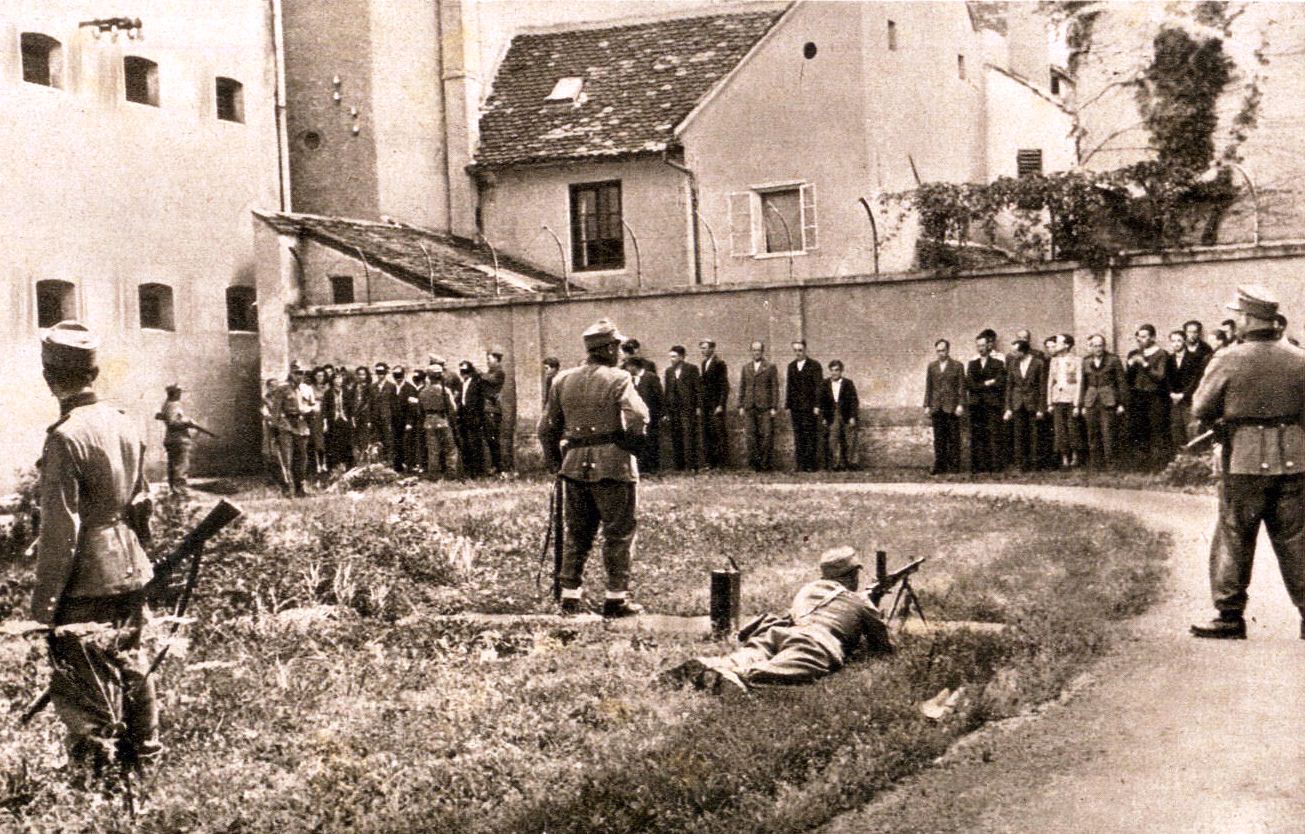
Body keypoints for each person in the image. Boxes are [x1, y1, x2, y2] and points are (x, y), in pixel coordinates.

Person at [31, 321, 160, 775]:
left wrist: (45, 606)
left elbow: (60, 533)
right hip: (130, 565)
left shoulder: (65, 437)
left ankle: (97, 776)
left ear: (50, 377)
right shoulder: (124, 423)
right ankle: (144, 759)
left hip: (88, 578)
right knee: (131, 662)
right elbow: (143, 503)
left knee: (84, 681)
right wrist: (145, 561)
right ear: (95, 371)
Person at [1190, 286, 1305, 641]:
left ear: (1248, 319)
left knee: (1234, 535)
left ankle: (1228, 616)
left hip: (1243, 460)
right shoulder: (1300, 358)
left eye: (1239, 316)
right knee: (1298, 538)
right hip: (1296, 458)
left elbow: (1200, 408)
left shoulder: (1227, 358)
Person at [659, 546, 891, 695]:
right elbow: (882, 647)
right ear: (853, 575)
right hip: (816, 640)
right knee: (785, 668)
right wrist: (870, 609)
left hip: (780, 631)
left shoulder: (809, 588)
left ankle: (717, 664)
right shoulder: (858, 602)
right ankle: (737, 677)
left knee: (752, 651)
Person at [538, 319, 650, 618]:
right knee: (619, 533)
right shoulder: (619, 378)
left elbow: (546, 428)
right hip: (614, 464)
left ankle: (569, 597)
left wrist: (555, 463)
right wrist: (630, 446)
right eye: (618, 347)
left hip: (573, 466)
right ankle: (616, 599)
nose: (621, 354)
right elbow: (639, 417)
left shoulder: (562, 379)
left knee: (577, 533)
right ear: (611, 348)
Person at [1125, 324, 1172, 470]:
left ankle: (1157, 465)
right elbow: (1128, 378)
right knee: (1139, 429)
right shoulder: (1134, 353)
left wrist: (1145, 364)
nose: (1141, 339)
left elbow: (1160, 377)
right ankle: (1141, 465)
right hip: (1138, 396)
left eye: (1144, 336)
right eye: (1139, 336)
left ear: (1153, 337)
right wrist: (1131, 365)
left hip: (1155, 397)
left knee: (1156, 430)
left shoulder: (1161, 354)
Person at [1077, 334, 1127, 470]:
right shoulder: (1086, 361)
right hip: (1091, 401)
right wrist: (1081, 404)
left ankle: (1111, 465)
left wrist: (1122, 403)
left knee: (1108, 433)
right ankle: (1096, 465)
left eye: (1100, 345)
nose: (1098, 348)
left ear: (1104, 346)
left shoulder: (1113, 360)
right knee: (1092, 434)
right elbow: (1083, 384)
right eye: (1095, 345)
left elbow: (1121, 383)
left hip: (1108, 401)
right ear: (1091, 347)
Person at [966, 329, 1006, 473]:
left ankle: (995, 466)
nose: (981, 349)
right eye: (978, 346)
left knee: (994, 434)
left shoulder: (997, 363)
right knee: (978, 434)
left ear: (988, 346)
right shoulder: (972, 364)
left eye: (983, 346)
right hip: (976, 404)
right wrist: (987, 384)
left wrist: (983, 385)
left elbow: (1000, 383)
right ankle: (978, 466)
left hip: (992, 404)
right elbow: (969, 384)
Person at [1003, 339, 1046, 472]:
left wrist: (1041, 408)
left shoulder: (1038, 363)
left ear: (1023, 351)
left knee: (1034, 435)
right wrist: (1008, 407)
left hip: (1032, 403)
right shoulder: (1013, 364)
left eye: (1015, 351)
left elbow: (1042, 387)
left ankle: (1034, 464)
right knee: (1019, 435)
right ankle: (1020, 464)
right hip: (1017, 403)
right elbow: (1009, 387)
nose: (1012, 353)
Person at [924, 339, 965, 474]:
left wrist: (960, 404)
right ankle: (940, 464)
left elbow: (961, 387)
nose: (941, 353)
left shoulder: (957, 366)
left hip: (952, 406)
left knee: (953, 437)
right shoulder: (932, 366)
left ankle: (955, 466)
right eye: (938, 351)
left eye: (943, 350)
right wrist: (927, 405)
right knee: (939, 438)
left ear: (948, 350)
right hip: (937, 406)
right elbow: (929, 387)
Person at [273, 362, 313, 496]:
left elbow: (312, 405)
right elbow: (276, 410)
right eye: (297, 373)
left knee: (302, 458)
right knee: (287, 458)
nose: (299, 376)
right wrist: (275, 428)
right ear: (291, 373)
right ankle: (288, 489)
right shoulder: (282, 389)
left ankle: (300, 488)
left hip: (302, 425)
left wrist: (309, 411)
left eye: (301, 373)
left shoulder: (306, 389)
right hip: (287, 426)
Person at [738, 340, 779, 471]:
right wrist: (740, 405)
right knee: (751, 436)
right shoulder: (746, 367)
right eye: (754, 350)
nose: (756, 353)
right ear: (751, 352)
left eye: (759, 350)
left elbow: (774, 387)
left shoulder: (770, 367)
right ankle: (754, 465)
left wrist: (774, 407)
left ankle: (765, 465)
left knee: (767, 436)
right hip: (750, 406)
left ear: (762, 351)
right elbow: (742, 387)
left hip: (765, 407)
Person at [1046, 334, 1084, 468]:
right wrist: (1049, 402)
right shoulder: (1054, 360)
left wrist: (1076, 403)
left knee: (1072, 427)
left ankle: (1075, 456)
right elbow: (1050, 381)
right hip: (1058, 398)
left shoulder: (1077, 360)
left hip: (1071, 398)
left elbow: (1079, 381)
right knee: (1059, 429)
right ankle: (1064, 457)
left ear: (1067, 345)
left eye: (1058, 343)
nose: (1056, 345)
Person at [786, 340, 824, 472]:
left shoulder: (814, 365)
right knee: (798, 435)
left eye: (800, 350)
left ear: (805, 350)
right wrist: (789, 405)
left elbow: (819, 387)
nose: (798, 353)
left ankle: (811, 465)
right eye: (795, 350)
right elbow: (790, 387)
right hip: (796, 407)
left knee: (810, 435)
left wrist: (817, 405)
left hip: (810, 407)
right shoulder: (791, 366)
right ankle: (800, 464)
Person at [663, 345, 702, 471]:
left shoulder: (692, 369)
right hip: (673, 409)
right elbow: (667, 391)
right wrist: (667, 410)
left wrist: (698, 406)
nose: (672, 359)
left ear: (682, 357)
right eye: (670, 357)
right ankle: (678, 466)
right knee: (676, 436)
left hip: (687, 408)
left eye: (674, 357)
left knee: (689, 436)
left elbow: (698, 389)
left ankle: (691, 465)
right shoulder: (669, 371)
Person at [419, 360, 458, 478]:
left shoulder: (423, 392)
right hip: (442, 421)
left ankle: (434, 475)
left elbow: (420, 410)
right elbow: (453, 408)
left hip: (428, 422)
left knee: (433, 450)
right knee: (450, 449)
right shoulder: (445, 390)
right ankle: (451, 474)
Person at [1167, 329, 1206, 451]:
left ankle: (1193, 462)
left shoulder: (1194, 358)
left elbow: (1196, 380)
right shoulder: (1169, 359)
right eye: (1173, 341)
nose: (1176, 344)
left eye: (1179, 340)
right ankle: (1179, 463)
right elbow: (1166, 378)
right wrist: (1171, 393)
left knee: (1191, 431)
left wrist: (1184, 395)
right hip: (1174, 401)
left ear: (1184, 341)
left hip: (1188, 400)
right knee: (1176, 431)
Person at [819, 360, 860, 470]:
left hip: (846, 413)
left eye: (836, 370)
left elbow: (854, 401)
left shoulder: (848, 383)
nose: (834, 373)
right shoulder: (825, 383)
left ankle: (852, 463)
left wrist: (852, 416)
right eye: (832, 370)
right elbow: (821, 402)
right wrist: (823, 417)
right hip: (832, 414)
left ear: (841, 371)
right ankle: (836, 464)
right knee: (833, 439)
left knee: (850, 438)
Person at [156, 383, 195, 495]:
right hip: (179, 440)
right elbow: (173, 422)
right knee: (181, 466)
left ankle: (175, 491)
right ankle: (180, 492)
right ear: (174, 393)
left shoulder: (167, 405)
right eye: (179, 392)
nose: (180, 394)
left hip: (172, 440)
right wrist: (188, 422)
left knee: (173, 467)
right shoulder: (173, 404)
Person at [699, 339, 731, 468]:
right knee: (707, 433)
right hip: (706, 404)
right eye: (701, 348)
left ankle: (722, 463)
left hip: (715, 404)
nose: (703, 350)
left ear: (712, 349)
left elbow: (724, 385)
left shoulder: (719, 363)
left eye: (705, 348)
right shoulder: (704, 363)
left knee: (718, 433)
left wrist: (720, 405)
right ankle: (710, 462)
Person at [630, 357, 663, 476]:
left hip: (652, 415)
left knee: (652, 441)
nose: (628, 369)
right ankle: (643, 468)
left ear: (635, 366)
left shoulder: (651, 377)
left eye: (629, 367)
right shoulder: (632, 380)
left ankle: (654, 468)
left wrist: (660, 413)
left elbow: (659, 395)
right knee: (641, 442)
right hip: (639, 417)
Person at [458, 361, 488, 478]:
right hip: (464, 418)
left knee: (475, 444)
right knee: (465, 444)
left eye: (466, 371)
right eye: (461, 371)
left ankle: (478, 471)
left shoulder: (477, 383)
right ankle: (468, 470)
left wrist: (479, 419)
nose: (463, 374)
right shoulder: (463, 384)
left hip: (474, 418)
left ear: (470, 371)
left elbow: (480, 403)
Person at [483, 348, 507, 474]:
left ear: (497, 359)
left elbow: (490, 380)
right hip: (489, 408)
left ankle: (497, 466)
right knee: (490, 438)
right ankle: (495, 465)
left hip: (492, 409)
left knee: (493, 439)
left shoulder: (499, 372)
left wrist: (479, 373)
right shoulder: (491, 372)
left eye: (489, 359)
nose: (487, 361)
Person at [349, 366, 375, 464]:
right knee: (356, 440)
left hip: (366, 417)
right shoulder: (354, 387)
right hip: (355, 417)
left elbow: (370, 405)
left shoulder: (370, 388)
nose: (361, 376)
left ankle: (366, 462)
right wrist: (352, 416)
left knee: (366, 440)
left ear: (367, 375)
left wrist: (369, 420)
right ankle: (358, 462)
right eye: (359, 374)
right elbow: (351, 403)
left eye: (363, 374)